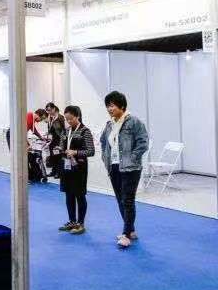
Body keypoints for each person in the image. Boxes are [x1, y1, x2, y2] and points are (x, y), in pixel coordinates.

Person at [100, 91, 149, 249]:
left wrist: (133, 158)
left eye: (112, 105)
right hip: (114, 166)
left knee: (128, 200)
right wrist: (105, 158)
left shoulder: (134, 122)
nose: (109, 109)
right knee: (120, 200)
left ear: (122, 106)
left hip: (130, 168)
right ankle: (131, 230)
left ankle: (126, 234)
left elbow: (143, 142)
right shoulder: (109, 124)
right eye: (108, 106)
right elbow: (103, 142)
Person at [58, 105, 96, 235]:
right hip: (66, 166)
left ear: (77, 116)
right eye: (66, 119)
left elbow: (91, 151)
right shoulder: (65, 131)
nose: (68, 121)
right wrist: (60, 149)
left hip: (79, 168)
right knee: (68, 194)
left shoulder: (85, 131)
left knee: (79, 195)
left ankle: (80, 223)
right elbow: (62, 146)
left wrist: (76, 152)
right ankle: (72, 221)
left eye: (71, 119)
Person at [27, 109, 51, 183]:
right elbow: (21, 133)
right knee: (22, 158)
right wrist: (27, 145)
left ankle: (33, 176)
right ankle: (25, 178)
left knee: (30, 156)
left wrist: (41, 138)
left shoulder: (32, 119)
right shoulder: (29, 117)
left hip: (19, 136)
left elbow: (34, 130)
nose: (40, 121)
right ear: (38, 115)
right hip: (12, 135)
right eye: (42, 119)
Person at [44, 103, 66, 177]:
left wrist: (63, 141)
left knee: (58, 156)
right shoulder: (50, 118)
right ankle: (53, 171)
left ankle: (58, 172)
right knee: (52, 155)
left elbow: (64, 130)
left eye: (49, 110)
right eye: (47, 110)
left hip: (59, 139)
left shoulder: (60, 118)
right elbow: (50, 128)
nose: (48, 112)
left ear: (54, 109)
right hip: (52, 139)